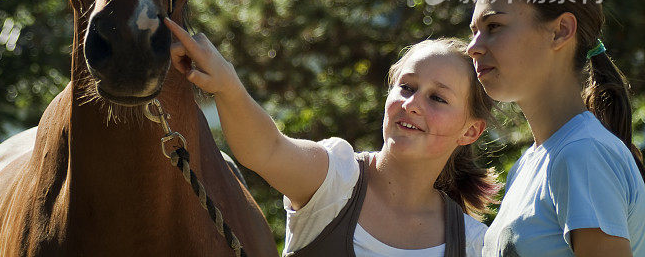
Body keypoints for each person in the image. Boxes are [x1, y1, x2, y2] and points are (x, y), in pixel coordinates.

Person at [165, 17, 498, 257]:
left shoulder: (474, 245)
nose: (412, 105)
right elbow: (266, 148)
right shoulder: (336, 180)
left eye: (437, 98)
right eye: (407, 87)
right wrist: (226, 85)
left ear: (470, 131)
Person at [467, 0, 645, 257]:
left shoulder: (583, 153)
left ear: (561, 31)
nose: (473, 46)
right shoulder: (528, 164)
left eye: (493, 26)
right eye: (473, 31)